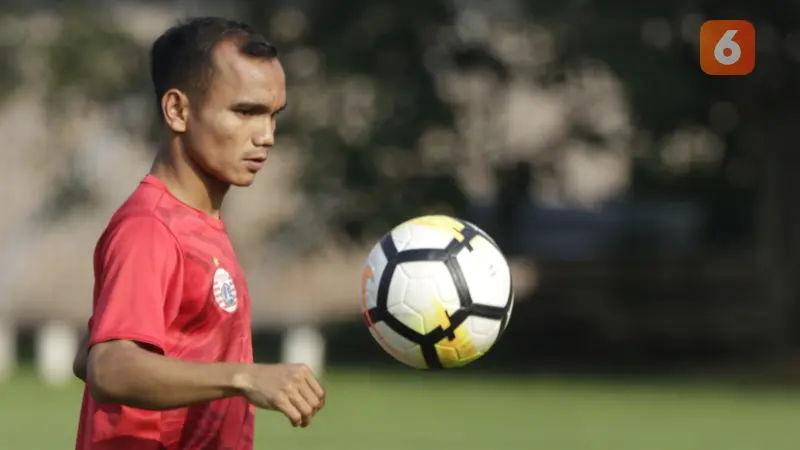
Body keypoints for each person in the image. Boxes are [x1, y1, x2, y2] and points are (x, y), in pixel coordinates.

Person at [72, 17, 325, 450]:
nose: (266, 136)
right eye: (245, 112)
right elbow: (109, 367)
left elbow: (90, 355)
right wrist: (245, 377)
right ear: (178, 110)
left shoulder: (196, 224)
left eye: (273, 115)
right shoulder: (150, 228)